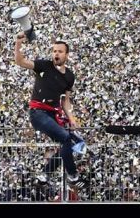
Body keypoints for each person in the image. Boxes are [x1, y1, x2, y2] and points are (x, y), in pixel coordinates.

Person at [14, 32, 87, 189]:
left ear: (66, 54)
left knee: (68, 142)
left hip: (53, 114)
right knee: (66, 139)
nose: (56, 54)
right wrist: (18, 44)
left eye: (60, 51)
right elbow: (20, 61)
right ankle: (73, 175)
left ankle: (45, 174)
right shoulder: (44, 66)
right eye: (54, 51)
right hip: (38, 113)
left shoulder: (69, 76)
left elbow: (65, 101)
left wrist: (72, 119)